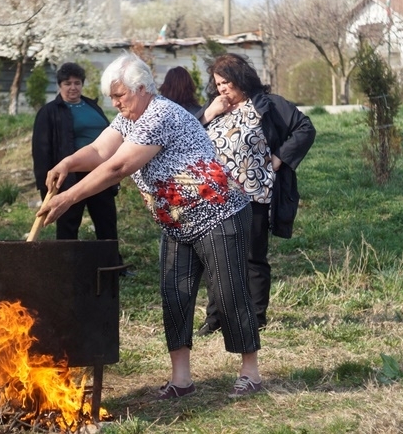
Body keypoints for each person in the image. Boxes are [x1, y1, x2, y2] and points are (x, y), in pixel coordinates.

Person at [37, 53, 263, 399]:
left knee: (229, 292)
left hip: (217, 212)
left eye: (120, 96)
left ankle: (250, 371)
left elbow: (117, 168)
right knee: (175, 295)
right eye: (111, 97)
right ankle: (182, 379)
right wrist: (67, 162)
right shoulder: (128, 117)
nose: (115, 103)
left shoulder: (160, 115)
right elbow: (100, 150)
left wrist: (68, 198)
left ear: (141, 88)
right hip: (175, 222)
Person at [195, 53, 315, 335]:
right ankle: (215, 318)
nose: (223, 88)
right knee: (216, 257)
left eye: (227, 82)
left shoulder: (268, 105)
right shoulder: (214, 107)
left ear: (241, 79)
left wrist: (279, 158)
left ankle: (256, 316)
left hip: (254, 194)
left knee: (252, 257)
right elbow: (188, 134)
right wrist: (209, 113)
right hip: (218, 197)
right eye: (219, 83)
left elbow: (305, 128)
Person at [32, 62, 119, 242]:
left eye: (77, 83)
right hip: (69, 178)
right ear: (59, 85)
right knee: (68, 225)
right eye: (67, 83)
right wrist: (45, 186)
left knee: (106, 221)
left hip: (99, 173)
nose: (73, 87)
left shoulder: (92, 106)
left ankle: (112, 266)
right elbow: (41, 151)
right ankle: (66, 267)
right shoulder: (49, 112)